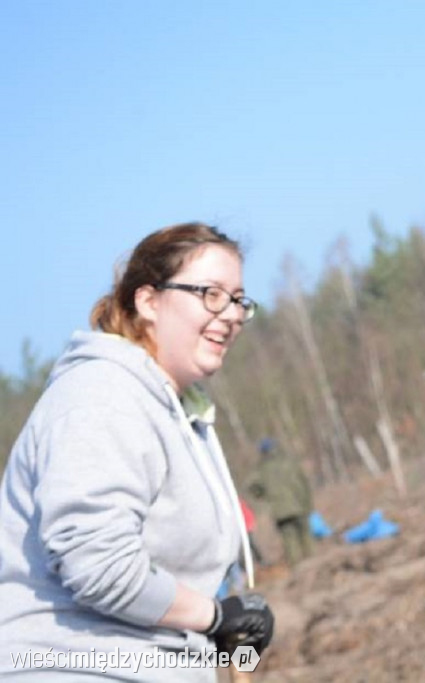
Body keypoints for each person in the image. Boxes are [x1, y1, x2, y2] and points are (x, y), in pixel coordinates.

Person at [0, 223, 274, 680]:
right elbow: (98, 563)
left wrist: (225, 637)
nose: (230, 314)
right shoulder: (100, 395)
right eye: (210, 293)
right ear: (148, 301)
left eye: (239, 300)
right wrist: (214, 616)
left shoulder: (184, 414)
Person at [248, 437, 313, 567]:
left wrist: (264, 495)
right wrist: (308, 504)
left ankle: (299, 569)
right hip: (298, 505)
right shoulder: (290, 462)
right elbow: (304, 483)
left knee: (290, 540)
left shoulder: (262, 469)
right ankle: (315, 566)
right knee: (306, 535)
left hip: (280, 510)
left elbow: (252, 487)